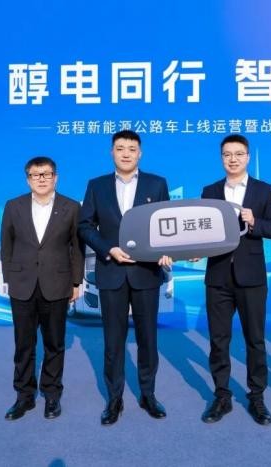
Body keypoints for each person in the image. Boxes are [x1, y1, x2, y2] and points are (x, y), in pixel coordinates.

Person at [78, 130, 172, 425]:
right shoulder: (96, 186)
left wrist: (167, 251)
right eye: (120, 148)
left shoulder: (157, 184)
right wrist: (108, 249)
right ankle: (114, 399)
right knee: (113, 341)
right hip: (111, 273)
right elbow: (84, 226)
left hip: (146, 273)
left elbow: (166, 226)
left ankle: (148, 395)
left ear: (140, 153)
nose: (126, 153)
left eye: (132, 148)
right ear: (112, 152)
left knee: (148, 339)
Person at [199, 134, 271, 426]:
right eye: (227, 154)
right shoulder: (210, 191)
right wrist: (193, 251)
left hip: (252, 278)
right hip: (218, 277)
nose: (232, 159)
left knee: (255, 340)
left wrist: (255, 221)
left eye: (238, 154)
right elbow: (201, 233)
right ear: (221, 158)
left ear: (247, 157)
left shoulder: (264, 190)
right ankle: (222, 395)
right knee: (218, 340)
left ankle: (257, 396)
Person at [0, 156, 84, 421]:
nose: (41, 179)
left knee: (54, 344)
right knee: (24, 344)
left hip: (57, 285)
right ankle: (24, 396)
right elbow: (6, 246)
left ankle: (51, 395)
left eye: (46, 174)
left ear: (55, 177)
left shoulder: (71, 207)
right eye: (35, 175)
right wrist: (11, 278)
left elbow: (77, 248)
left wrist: (76, 282)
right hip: (22, 285)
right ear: (28, 179)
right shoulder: (13, 206)